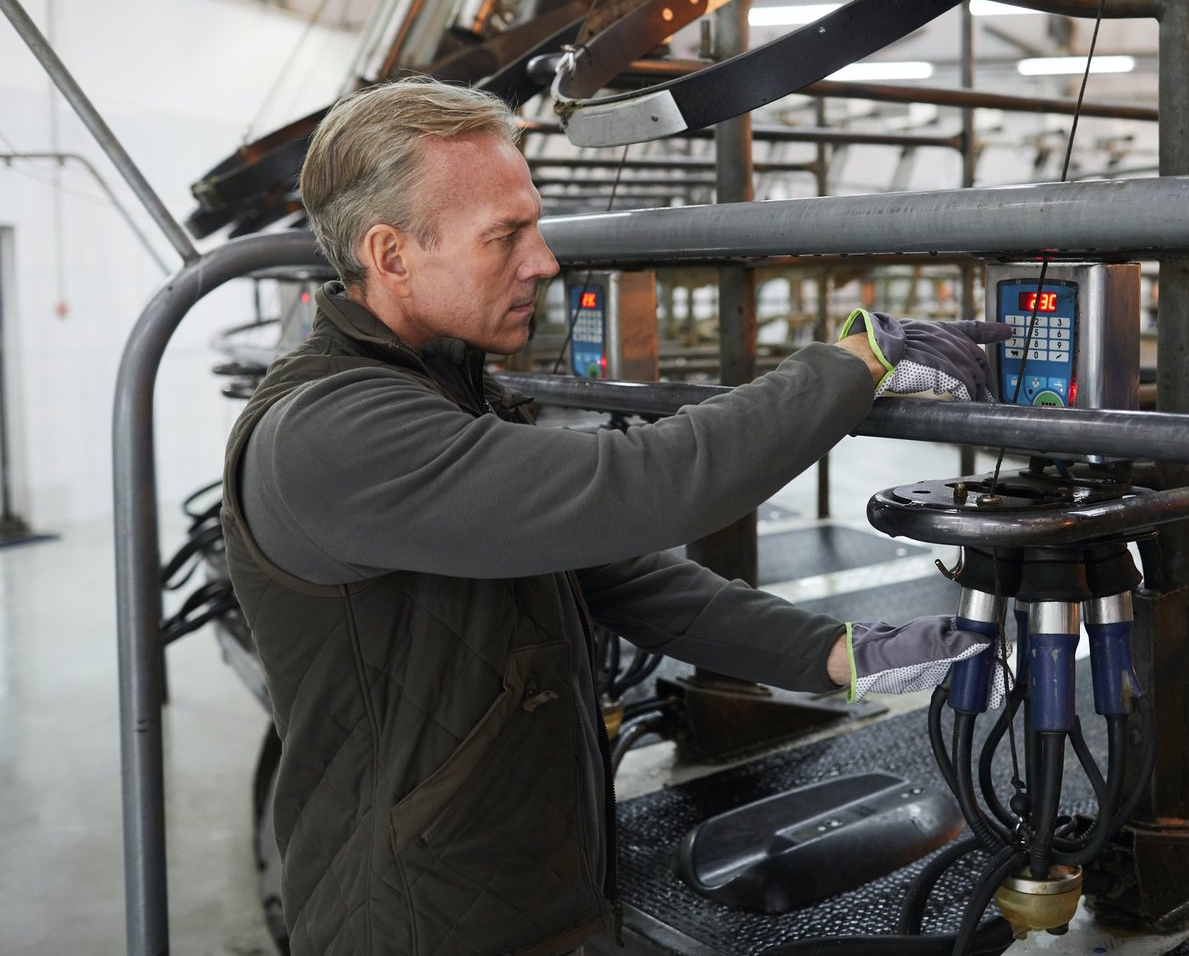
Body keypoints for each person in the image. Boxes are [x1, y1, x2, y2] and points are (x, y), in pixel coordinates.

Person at [220, 78, 1010, 956]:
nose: (544, 261)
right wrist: (850, 364)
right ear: (392, 254)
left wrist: (829, 654)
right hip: (417, 922)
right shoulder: (333, 435)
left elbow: (612, 570)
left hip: (522, 890)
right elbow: (642, 482)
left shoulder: (445, 387)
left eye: (535, 225)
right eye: (505, 236)